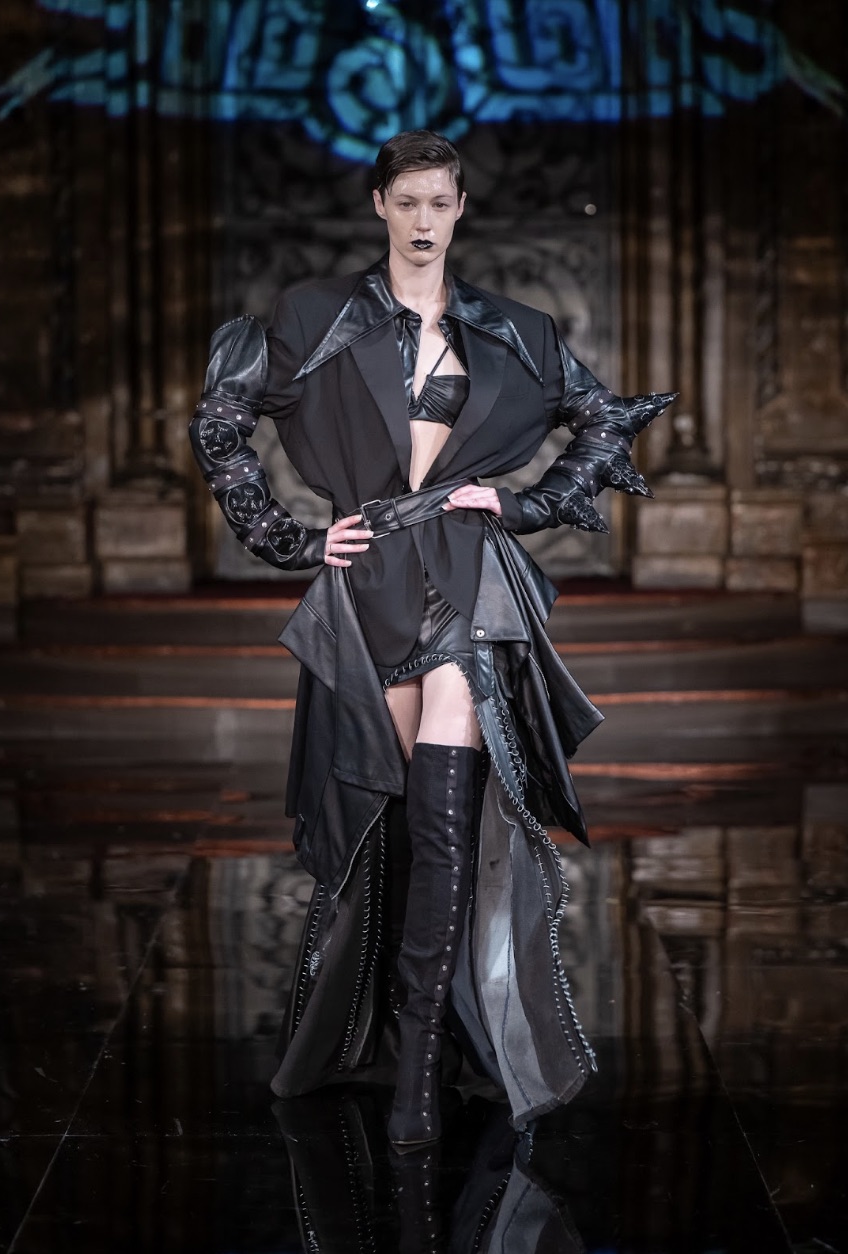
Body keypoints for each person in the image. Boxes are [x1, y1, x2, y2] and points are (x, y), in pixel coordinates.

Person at [189, 130, 675, 1150]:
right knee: (395, 821)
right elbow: (221, 421)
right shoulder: (314, 315)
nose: (422, 220)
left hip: (465, 578)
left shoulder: (516, 329)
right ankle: (400, 1037)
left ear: (460, 209)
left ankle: (417, 1063)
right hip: (370, 585)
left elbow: (606, 420)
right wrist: (289, 537)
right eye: (406, 201)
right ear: (379, 204)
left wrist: (523, 502)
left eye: (439, 202)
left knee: (451, 820)